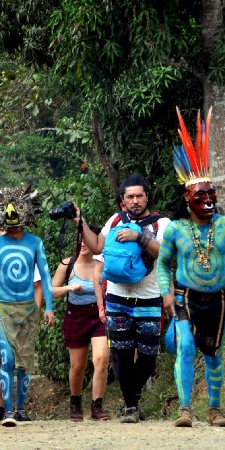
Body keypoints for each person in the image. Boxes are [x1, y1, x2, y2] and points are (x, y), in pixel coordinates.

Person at [157, 107, 225, 427]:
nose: (207, 199)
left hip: (218, 299)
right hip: (185, 297)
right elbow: (162, 265)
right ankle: (185, 409)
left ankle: (215, 409)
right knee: (186, 345)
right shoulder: (174, 229)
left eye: (211, 194)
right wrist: (166, 294)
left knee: (213, 354)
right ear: (188, 197)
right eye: (200, 195)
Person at [74, 174, 170, 423]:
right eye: (130, 196)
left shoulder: (162, 224)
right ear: (122, 200)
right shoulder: (115, 220)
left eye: (140, 195)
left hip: (149, 297)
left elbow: (164, 252)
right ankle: (130, 407)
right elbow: (96, 247)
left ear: (147, 197)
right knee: (120, 354)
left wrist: (138, 237)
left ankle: (133, 395)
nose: (136, 201)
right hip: (117, 297)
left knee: (148, 358)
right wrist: (80, 223)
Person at [0, 184, 54, 427]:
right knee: (7, 358)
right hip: (2, 307)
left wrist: (49, 307)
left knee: (24, 360)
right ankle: (9, 410)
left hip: (28, 309)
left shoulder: (35, 243)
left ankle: (21, 407)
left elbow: (45, 277)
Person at [52, 232, 109, 421]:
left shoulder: (102, 264)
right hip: (75, 317)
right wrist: (68, 288)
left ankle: (97, 405)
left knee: (101, 359)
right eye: (80, 240)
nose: (83, 244)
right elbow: (50, 290)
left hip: (98, 315)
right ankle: (75, 402)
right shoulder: (67, 265)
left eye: (87, 240)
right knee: (77, 366)